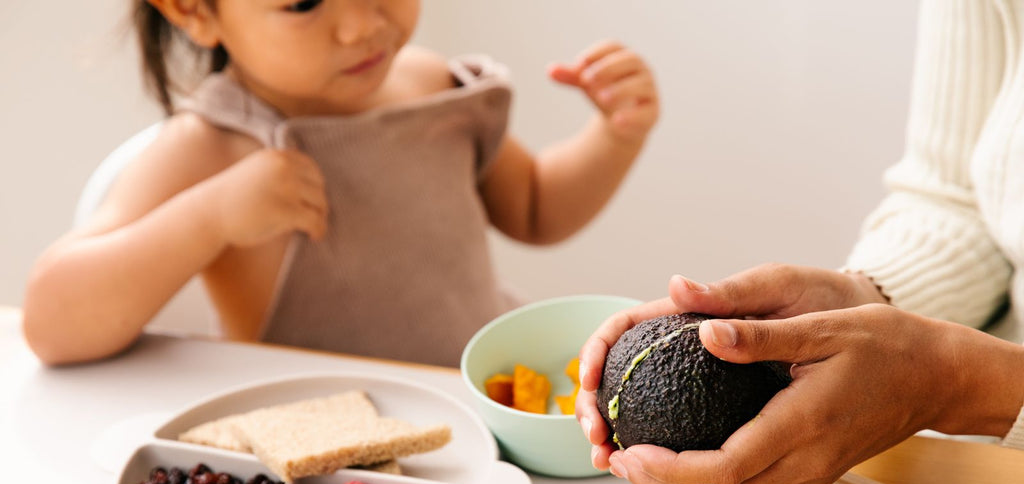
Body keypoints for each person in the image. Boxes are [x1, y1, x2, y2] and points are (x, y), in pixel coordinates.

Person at [575, 0, 1024, 484]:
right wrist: (864, 298)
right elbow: (958, 195)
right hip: (976, 468)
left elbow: (954, 380)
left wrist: (959, 384)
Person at [21, 0, 659, 367]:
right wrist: (209, 217)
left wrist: (614, 136)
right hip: (337, 473)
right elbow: (52, 325)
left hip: (483, 406)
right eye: (302, 2)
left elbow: (536, 210)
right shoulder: (211, 147)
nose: (362, 24)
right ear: (194, 9)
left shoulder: (433, 85)